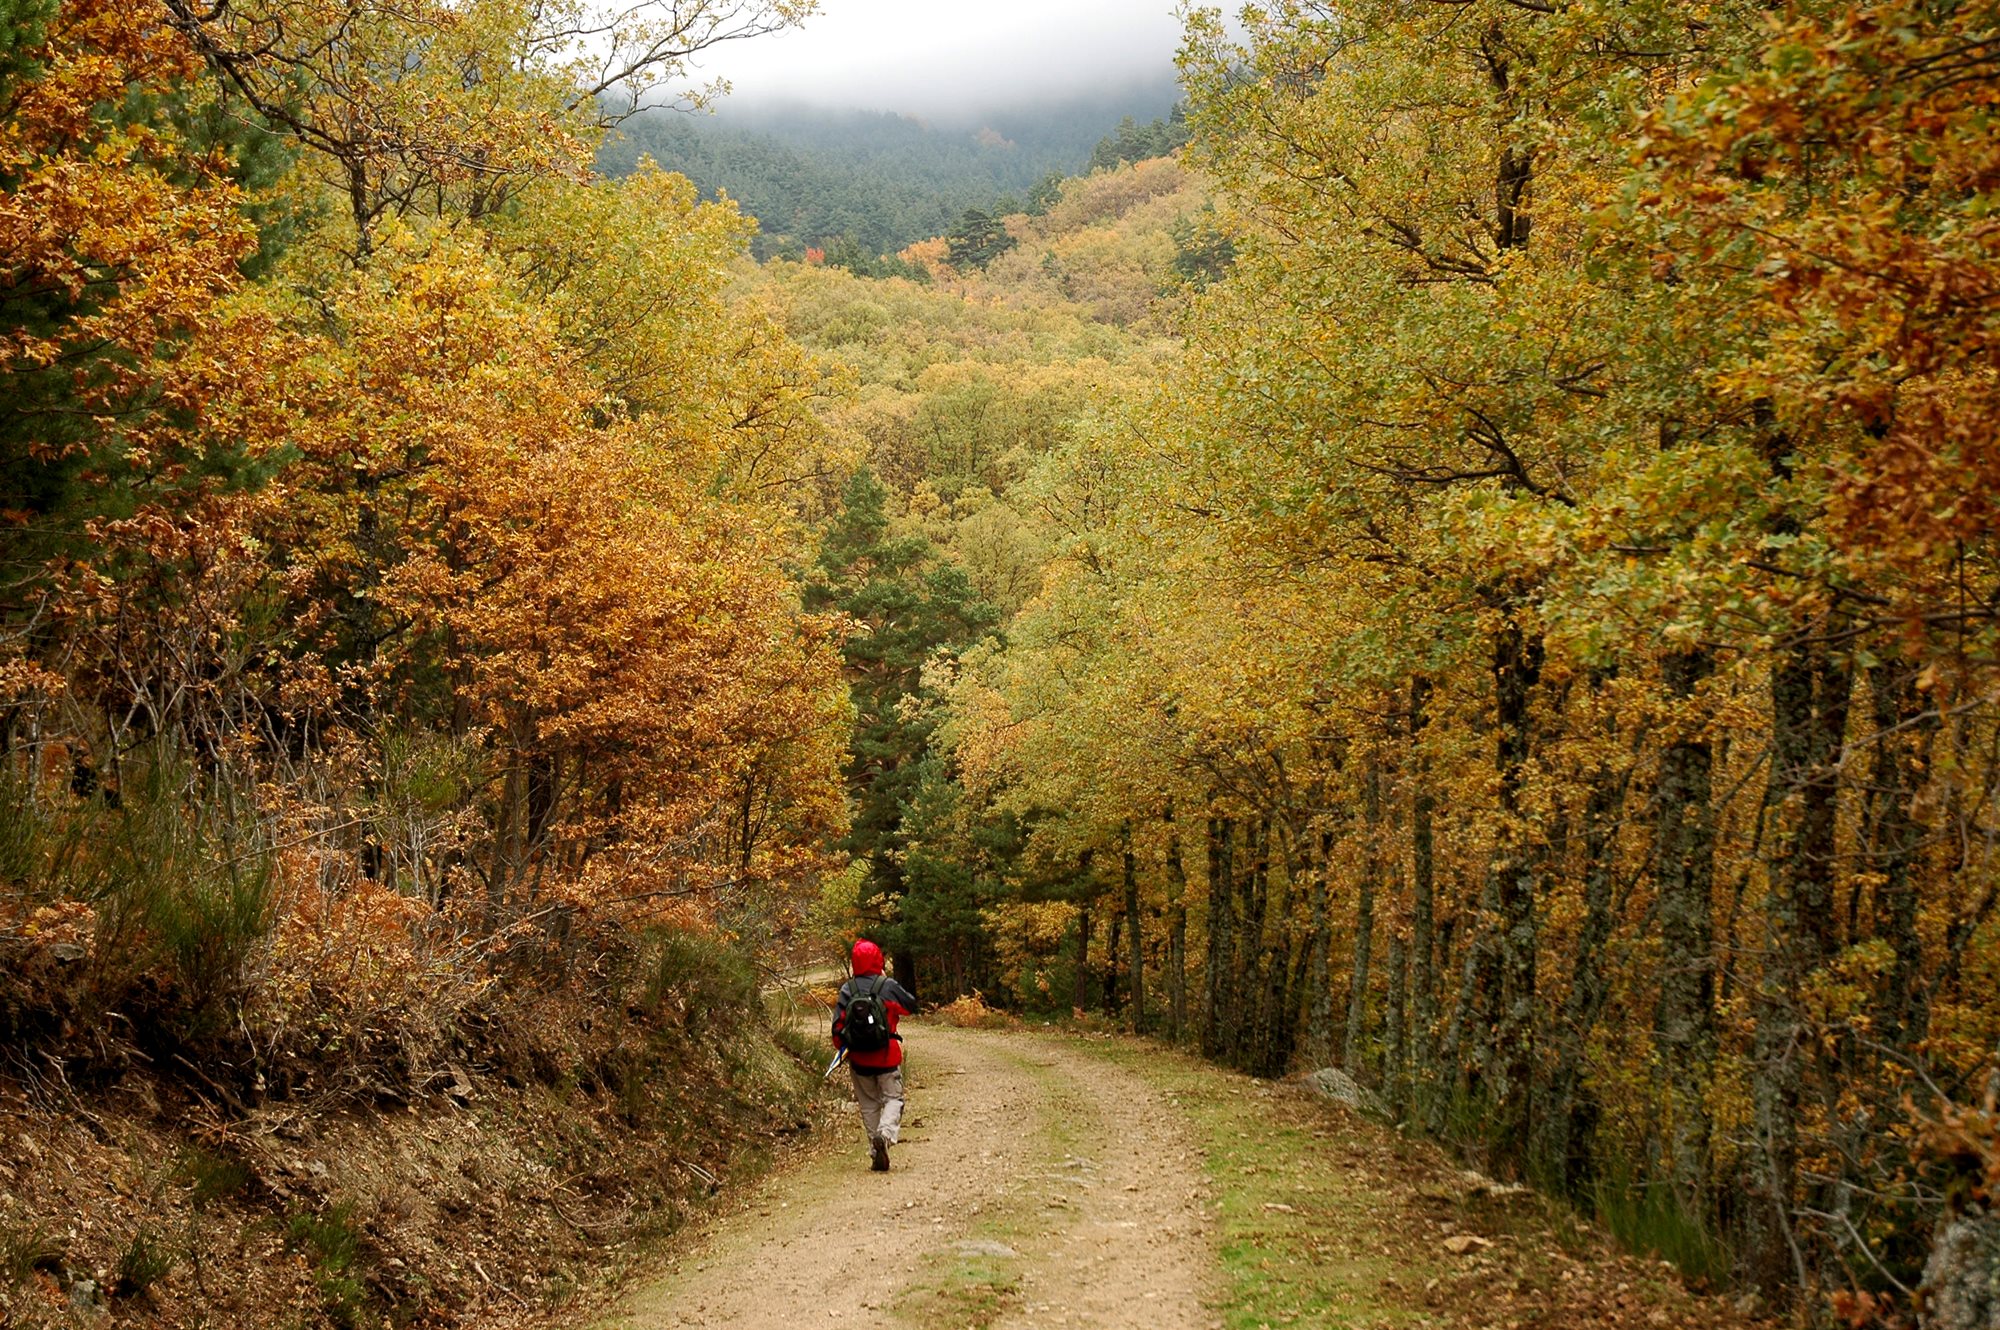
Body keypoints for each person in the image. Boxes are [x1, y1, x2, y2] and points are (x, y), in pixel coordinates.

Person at [831, 939, 916, 1172]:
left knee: (868, 1105)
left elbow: (837, 1029)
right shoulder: (886, 985)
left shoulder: (848, 989)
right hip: (887, 1056)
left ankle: (875, 1149)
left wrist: (844, 1050)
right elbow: (910, 1006)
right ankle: (885, 1135)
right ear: (878, 959)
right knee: (893, 1098)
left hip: (859, 1060)